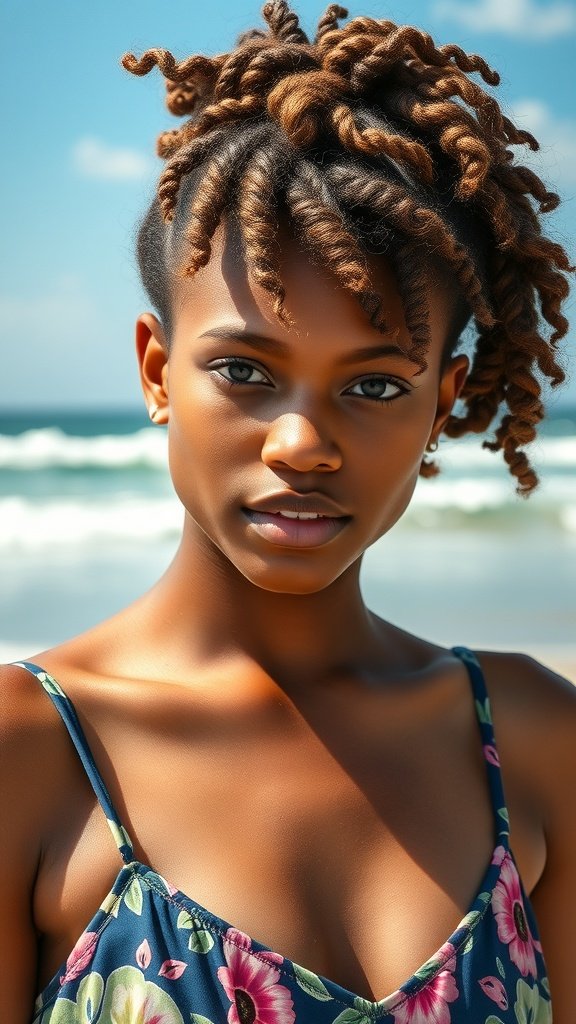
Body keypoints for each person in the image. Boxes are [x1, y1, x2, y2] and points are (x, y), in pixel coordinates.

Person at [1, 2, 574, 1021]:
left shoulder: (530, 740)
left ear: (444, 401)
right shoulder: (30, 751)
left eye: (376, 386)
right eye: (244, 370)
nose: (301, 443)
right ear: (156, 371)